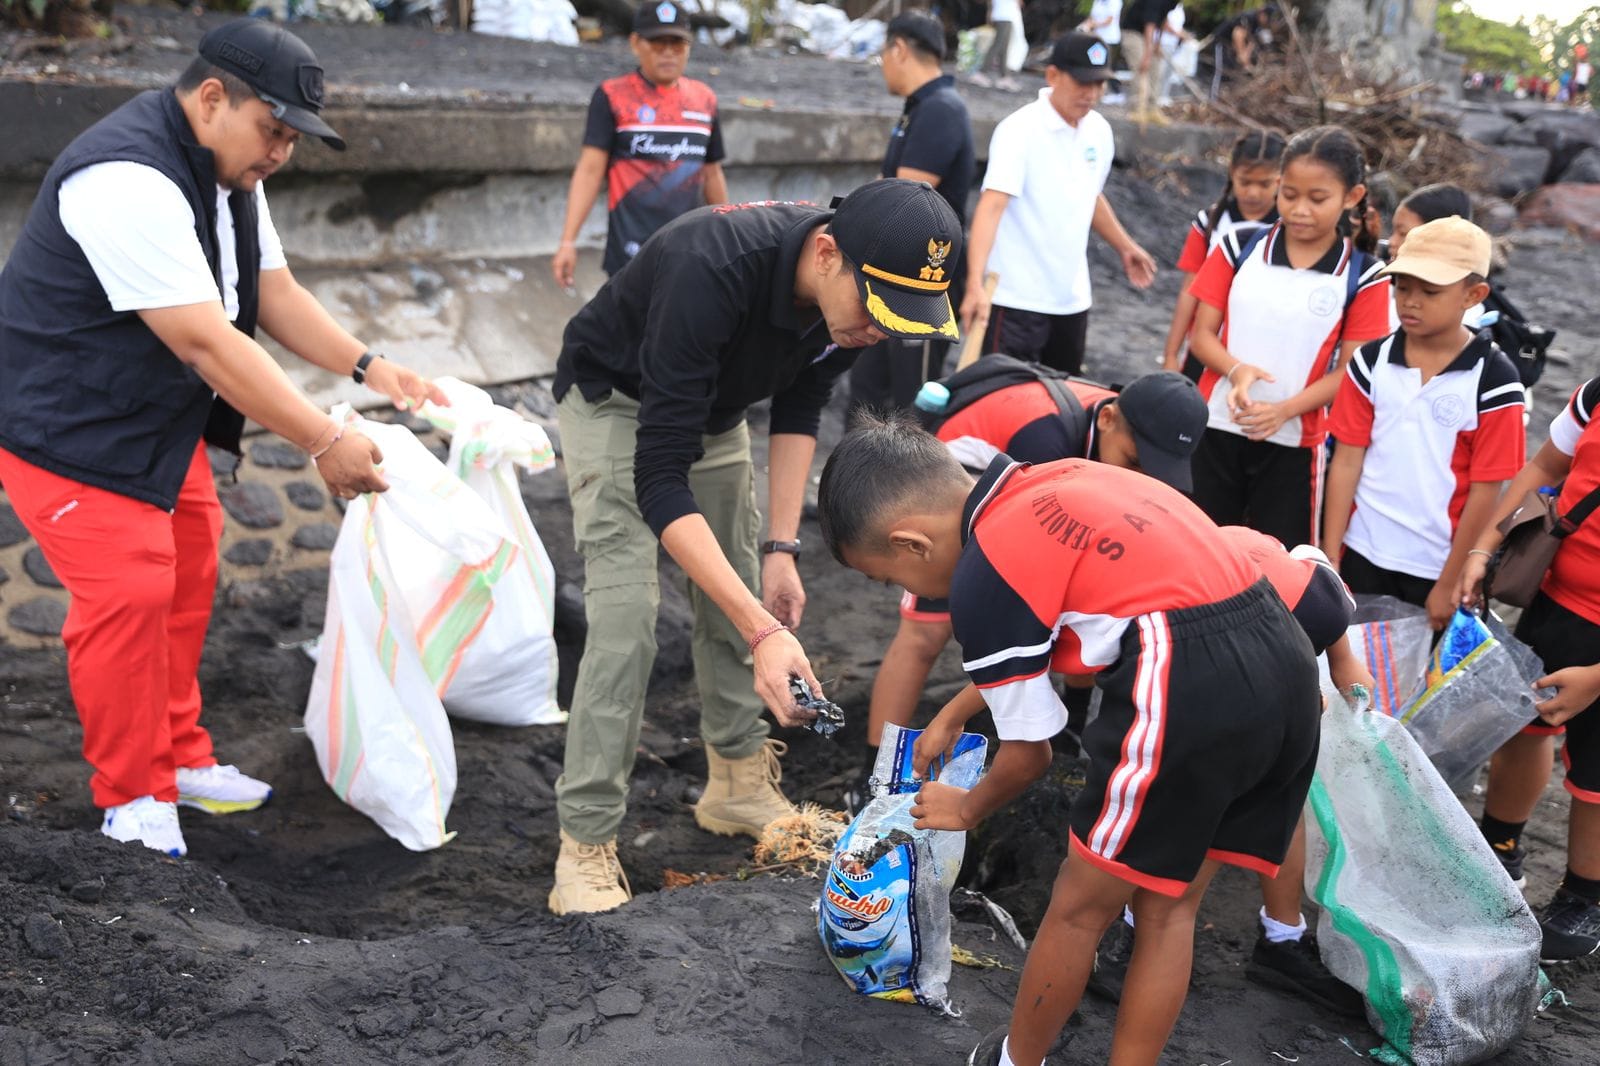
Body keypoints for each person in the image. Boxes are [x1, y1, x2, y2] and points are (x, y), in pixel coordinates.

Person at [0, 20, 442, 859]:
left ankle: (176, 757)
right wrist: (322, 438)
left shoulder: (230, 170)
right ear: (211, 99)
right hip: (67, 426)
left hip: (152, 421)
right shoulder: (127, 178)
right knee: (128, 597)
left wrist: (369, 365)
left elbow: (271, 291)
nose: (281, 152)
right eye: (274, 130)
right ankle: (132, 798)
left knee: (190, 566)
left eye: (293, 138)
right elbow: (206, 341)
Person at [815, 413, 1323, 1066]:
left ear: (910, 543)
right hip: (1287, 667)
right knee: (1169, 908)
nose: (902, 592)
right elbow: (1091, 612)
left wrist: (966, 808)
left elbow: (1031, 757)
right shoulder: (1057, 477)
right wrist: (959, 708)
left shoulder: (983, 575)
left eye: (889, 580)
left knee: (1079, 907)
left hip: (1189, 684)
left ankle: (1016, 1061)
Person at [547, 179, 962, 914]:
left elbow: (802, 403)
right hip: (618, 405)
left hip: (717, 412)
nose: (882, 331)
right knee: (626, 620)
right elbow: (658, 476)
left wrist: (779, 549)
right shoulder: (708, 267)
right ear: (826, 254)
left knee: (736, 590)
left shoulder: (849, 307)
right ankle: (583, 839)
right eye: (878, 309)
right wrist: (763, 631)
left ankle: (737, 783)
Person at [855, 369, 1208, 801]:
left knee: (1070, 598)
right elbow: (1028, 599)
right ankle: (874, 773)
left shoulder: (1126, 426)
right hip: (947, 496)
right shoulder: (1045, 442)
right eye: (1134, 463)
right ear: (1108, 419)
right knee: (925, 634)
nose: (1141, 479)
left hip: (1019, 499)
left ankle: (1069, 732)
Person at [1187, 125, 1392, 549]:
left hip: (1295, 445)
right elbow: (1202, 335)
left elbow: (1351, 371)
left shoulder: (1365, 275)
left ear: (1352, 197)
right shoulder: (1237, 246)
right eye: (1290, 194)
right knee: (1200, 549)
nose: (1300, 210)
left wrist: (1284, 411)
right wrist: (1236, 371)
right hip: (1215, 426)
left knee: (1281, 562)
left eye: (1317, 199)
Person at [1323, 217, 1524, 629]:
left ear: (1474, 295)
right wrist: (1330, 552)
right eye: (1402, 287)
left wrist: (1450, 581)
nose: (1410, 302)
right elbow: (1346, 460)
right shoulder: (1370, 362)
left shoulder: (1495, 381)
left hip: (1435, 564)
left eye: (1430, 291)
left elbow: (1487, 490)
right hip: (1360, 548)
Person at [1460, 375, 1600, 959]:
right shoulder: (1596, 395)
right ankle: (1499, 845)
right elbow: (1544, 465)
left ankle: (1584, 894)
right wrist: (1485, 546)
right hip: (1557, 603)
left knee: (1595, 777)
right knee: (1525, 725)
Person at [962, 32, 1157, 375]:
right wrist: (975, 284)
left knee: (1063, 395)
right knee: (1003, 394)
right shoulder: (1019, 130)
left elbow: (1089, 195)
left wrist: (1125, 246)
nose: (1091, 93)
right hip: (1015, 296)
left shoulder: (1099, 131)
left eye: (1099, 84)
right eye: (1082, 82)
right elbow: (991, 206)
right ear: (1053, 75)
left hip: (1070, 298)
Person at [550, 0, 728, 289]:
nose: (668, 53)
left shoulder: (704, 99)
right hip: (629, 255)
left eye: (677, 44)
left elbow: (712, 173)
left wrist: (730, 233)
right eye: (657, 43)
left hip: (689, 253)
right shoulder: (611, 96)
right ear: (635, 43)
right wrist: (567, 242)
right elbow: (589, 171)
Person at [850, 11, 976, 411]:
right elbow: (887, 181)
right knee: (867, 386)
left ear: (899, 50)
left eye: (883, 54)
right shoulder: (921, 106)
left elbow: (904, 199)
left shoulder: (941, 109)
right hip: (894, 271)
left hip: (923, 278)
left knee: (912, 397)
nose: (883, 65)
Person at [1160, 129, 1284, 380]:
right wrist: (1171, 354)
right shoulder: (1210, 223)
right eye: (1245, 182)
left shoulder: (1288, 229)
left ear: (1281, 180)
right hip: (1205, 344)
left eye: (1264, 184)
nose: (1253, 192)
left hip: (1258, 348)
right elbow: (1189, 290)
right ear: (1232, 173)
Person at [1119, 0, 1179, 124]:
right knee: (1141, 69)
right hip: (1133, 32)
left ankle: (1152, 109)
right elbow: (1149, 25)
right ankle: (1137, 109)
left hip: (1147, 34)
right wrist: (1147, 55)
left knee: (1155, 70)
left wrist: (1158, 43)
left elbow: (1162, 19)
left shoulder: (1172, 2)